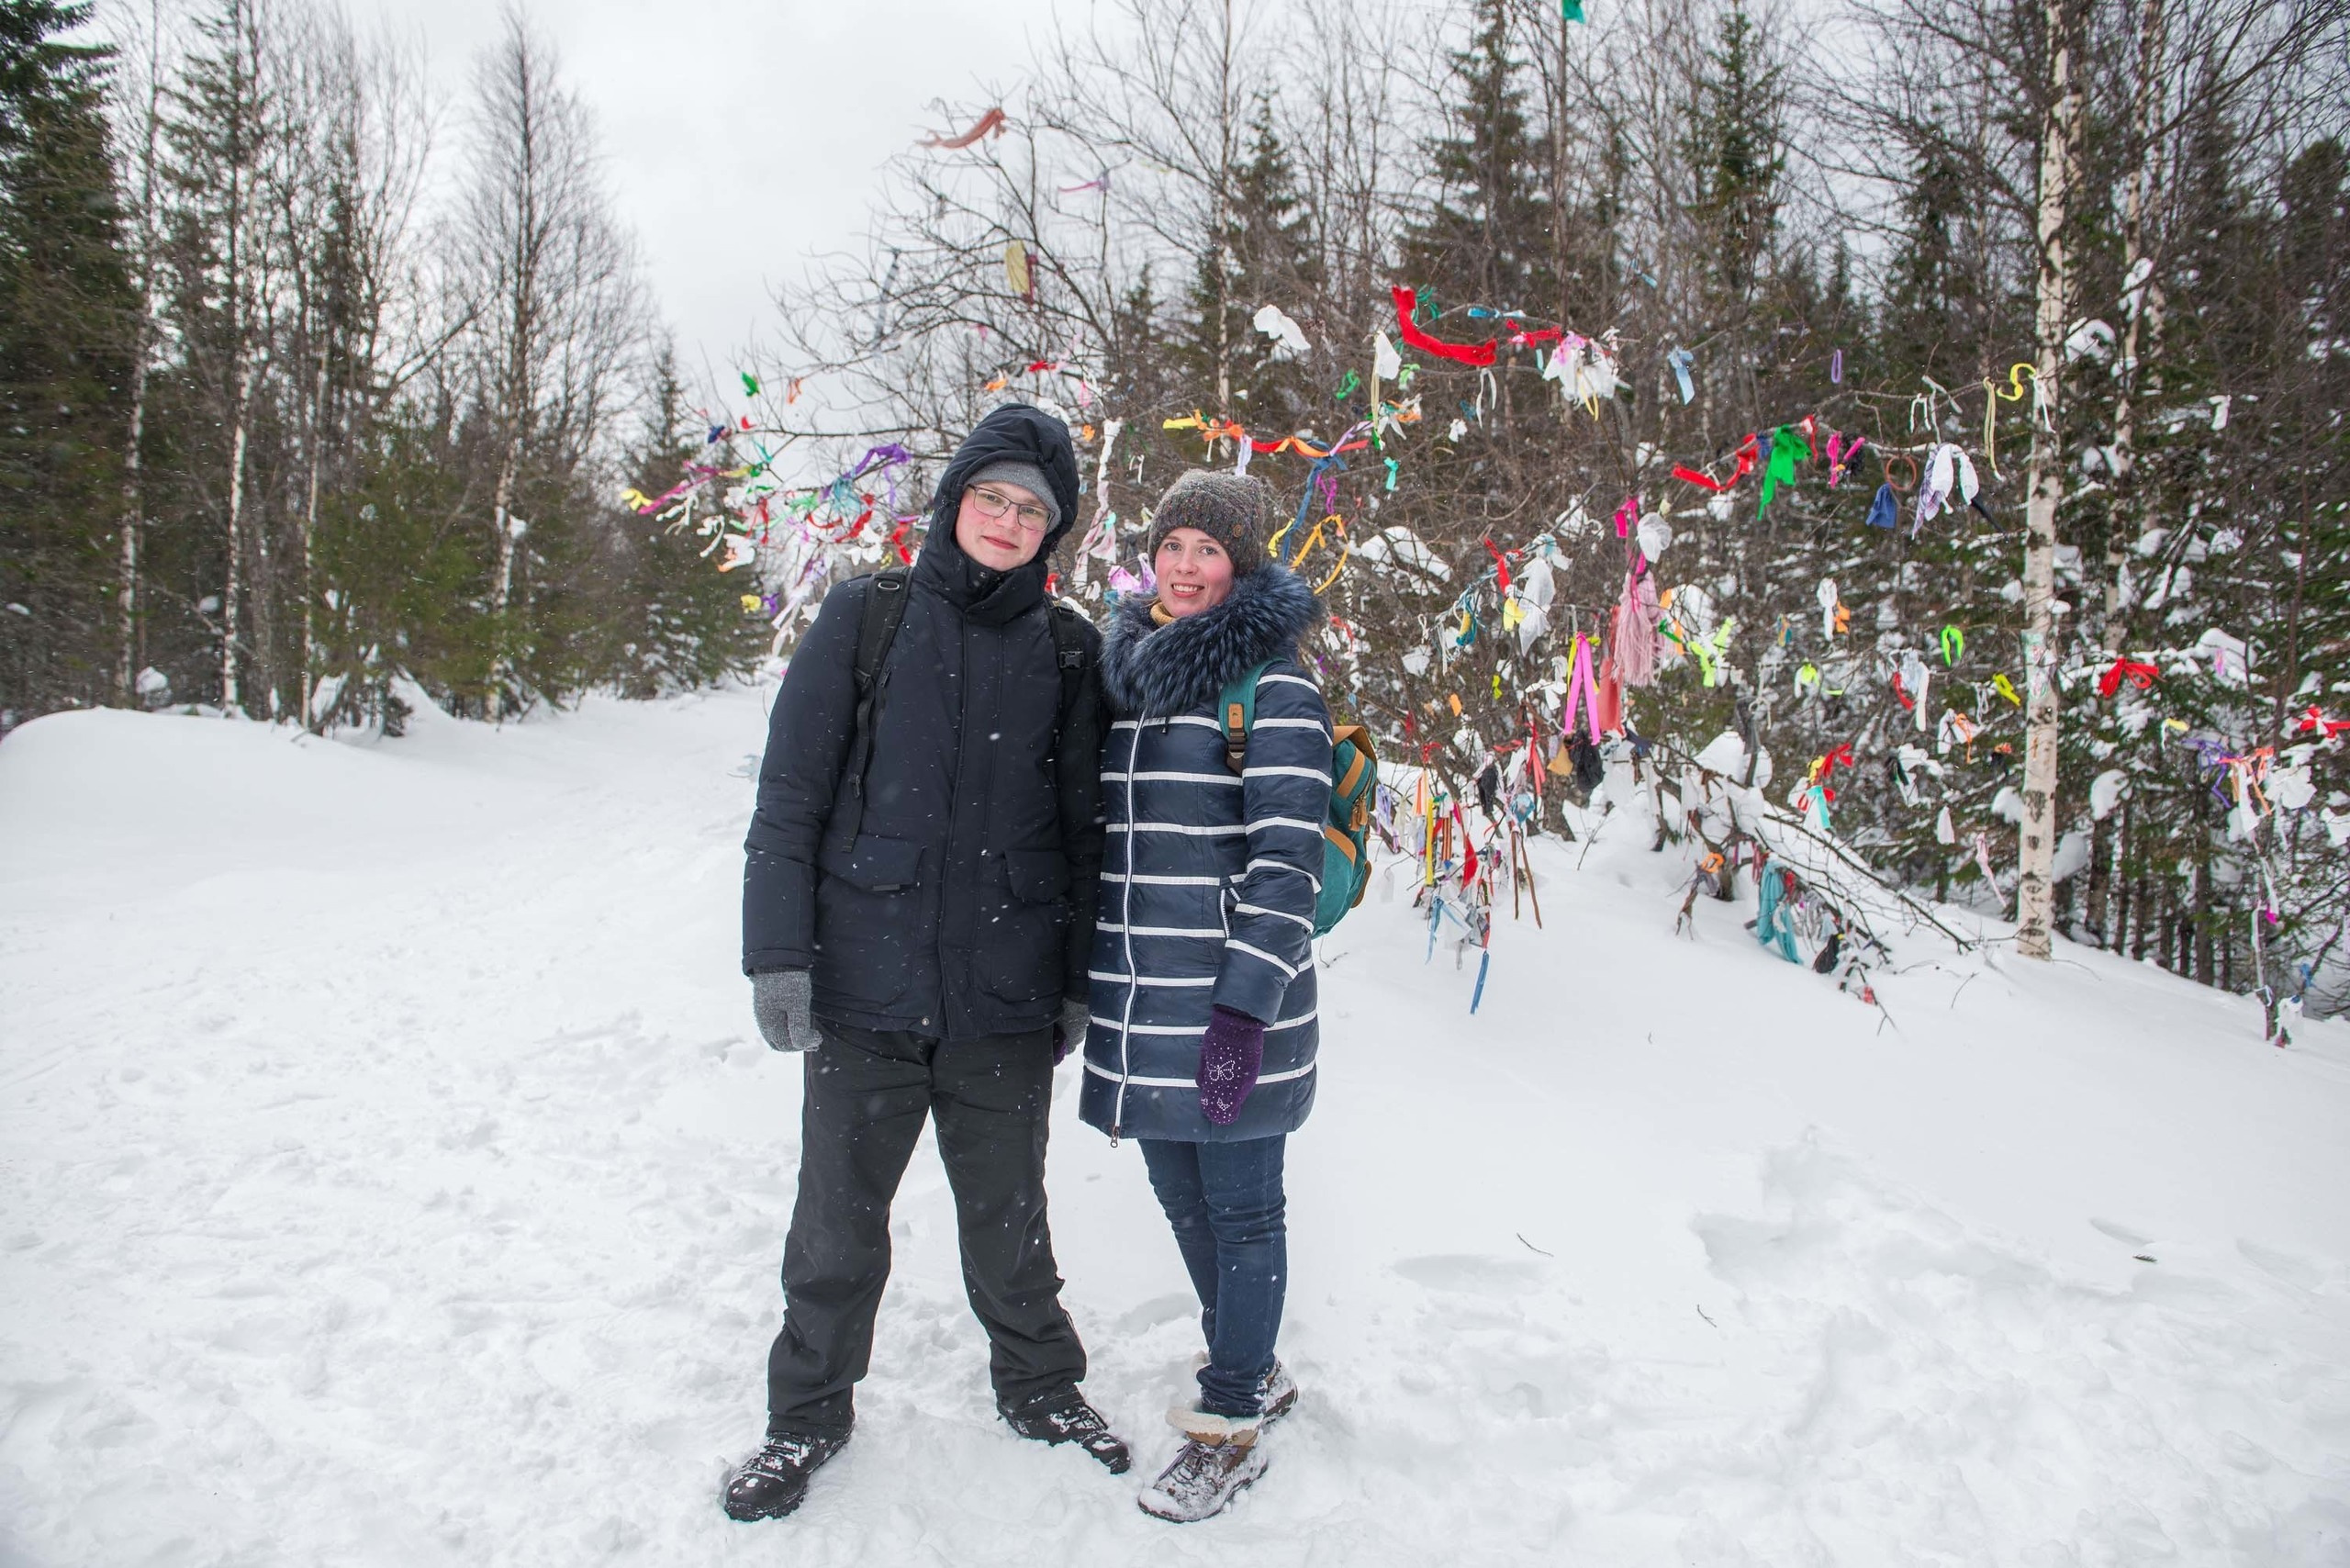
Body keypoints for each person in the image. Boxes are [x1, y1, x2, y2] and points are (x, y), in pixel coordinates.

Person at [725, 404, 1127, 1523]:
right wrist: (777, 957)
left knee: (1009, 1219)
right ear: (954, 502)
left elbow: (1088, 831)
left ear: (1054, 534)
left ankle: (1042, 1387)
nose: (1006, 521)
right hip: (863, 993)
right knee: (836, 1222)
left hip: (1004, 999)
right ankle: (805, 1413)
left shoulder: (1067, 650)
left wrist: (1081, 977)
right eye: (991, 498)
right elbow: (790, 798)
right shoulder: (867, 617)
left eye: (1031, 510)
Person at [1079, 470, 1331, 1523]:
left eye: (1209, 551)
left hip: (1236, 1012)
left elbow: (1287, 868)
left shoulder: (1273, 689)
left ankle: (1230, 1418)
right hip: (1142, 1008)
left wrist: (1242, 1012)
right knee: (1182, 1201)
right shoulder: (1126, 677)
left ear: (1244, 566)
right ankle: (1254, 1363)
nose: (1185, 567)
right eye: (1172, 545)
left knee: (1242, 1208)